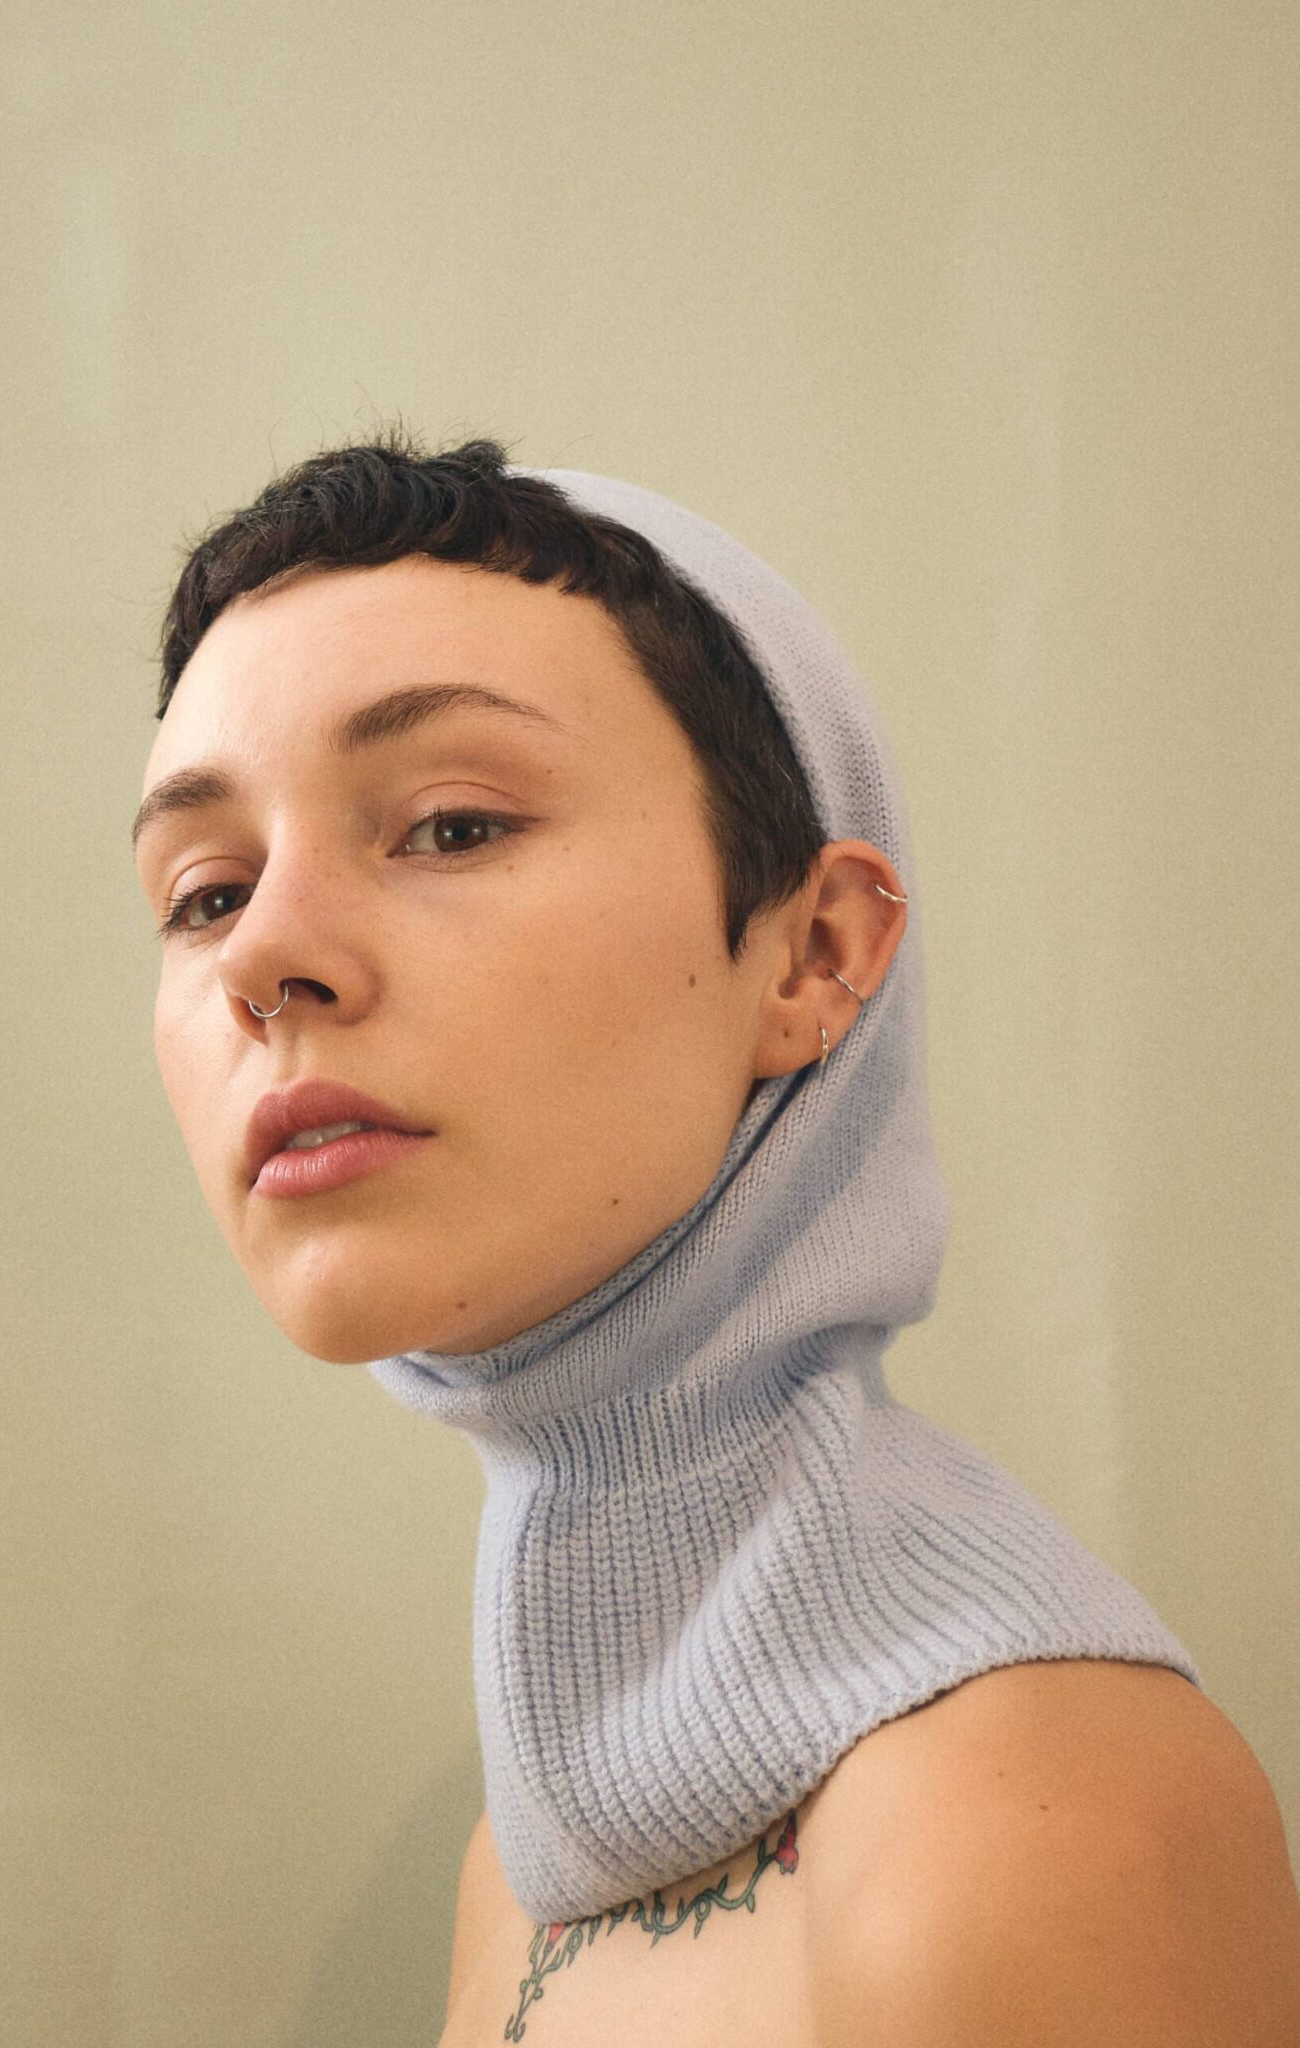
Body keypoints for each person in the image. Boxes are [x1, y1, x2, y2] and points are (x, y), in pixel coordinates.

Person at [132, 431, 1300, 2043]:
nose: (262, 956)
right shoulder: (526, 1863)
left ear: (813, 952)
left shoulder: (1022, 1815)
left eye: (451, 825)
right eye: (203, 892)